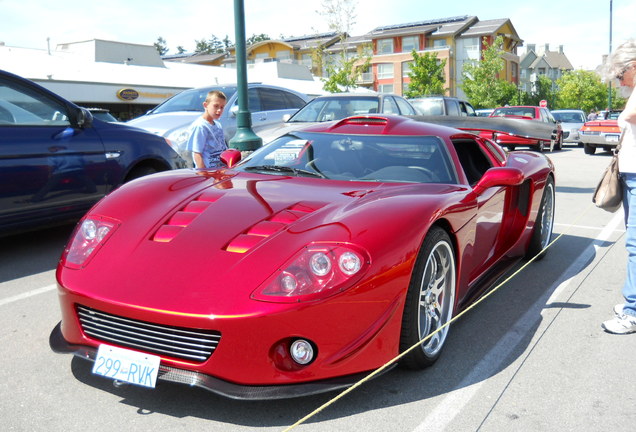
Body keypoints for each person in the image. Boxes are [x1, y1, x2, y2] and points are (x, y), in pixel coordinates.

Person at [602, 39, 636, 334]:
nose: (619, 81)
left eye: (620, 74)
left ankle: (632, 310)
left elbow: (629, 116)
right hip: (630, 174)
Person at [186, 90, 227, 169]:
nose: (219, 110)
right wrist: (203, 172)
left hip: (220, 171)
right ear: (205, 105)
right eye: (216, 106)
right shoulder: (200, 126)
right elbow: (197, 153)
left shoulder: (218, 125)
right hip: (208, 172)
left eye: (222, 107)